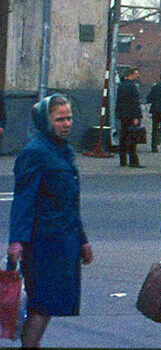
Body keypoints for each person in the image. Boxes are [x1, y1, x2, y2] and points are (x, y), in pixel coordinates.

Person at [7, 95, 94, 348]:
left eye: (69, 118)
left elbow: (69, 202)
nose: (66, 124)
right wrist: (16, 241)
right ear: (46, 121)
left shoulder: (63, 150)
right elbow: (24, 200)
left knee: (45, 306)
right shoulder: (34, 153)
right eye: (60, 119)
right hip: (43, 243)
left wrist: (83, 241)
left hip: (65, 241)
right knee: (42, 306)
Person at [115, 67, 144, 168]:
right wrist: (137, 116)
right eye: (136, 74)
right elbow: (134, 102)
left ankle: (123, 160)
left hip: (123, 115)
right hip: (131, 116)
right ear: (131, 74)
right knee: (133, 138)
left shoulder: (121, 86)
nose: (137, 76)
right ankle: (133, 161)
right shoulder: (132, 87)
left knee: (123, 137)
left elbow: (118, 101)